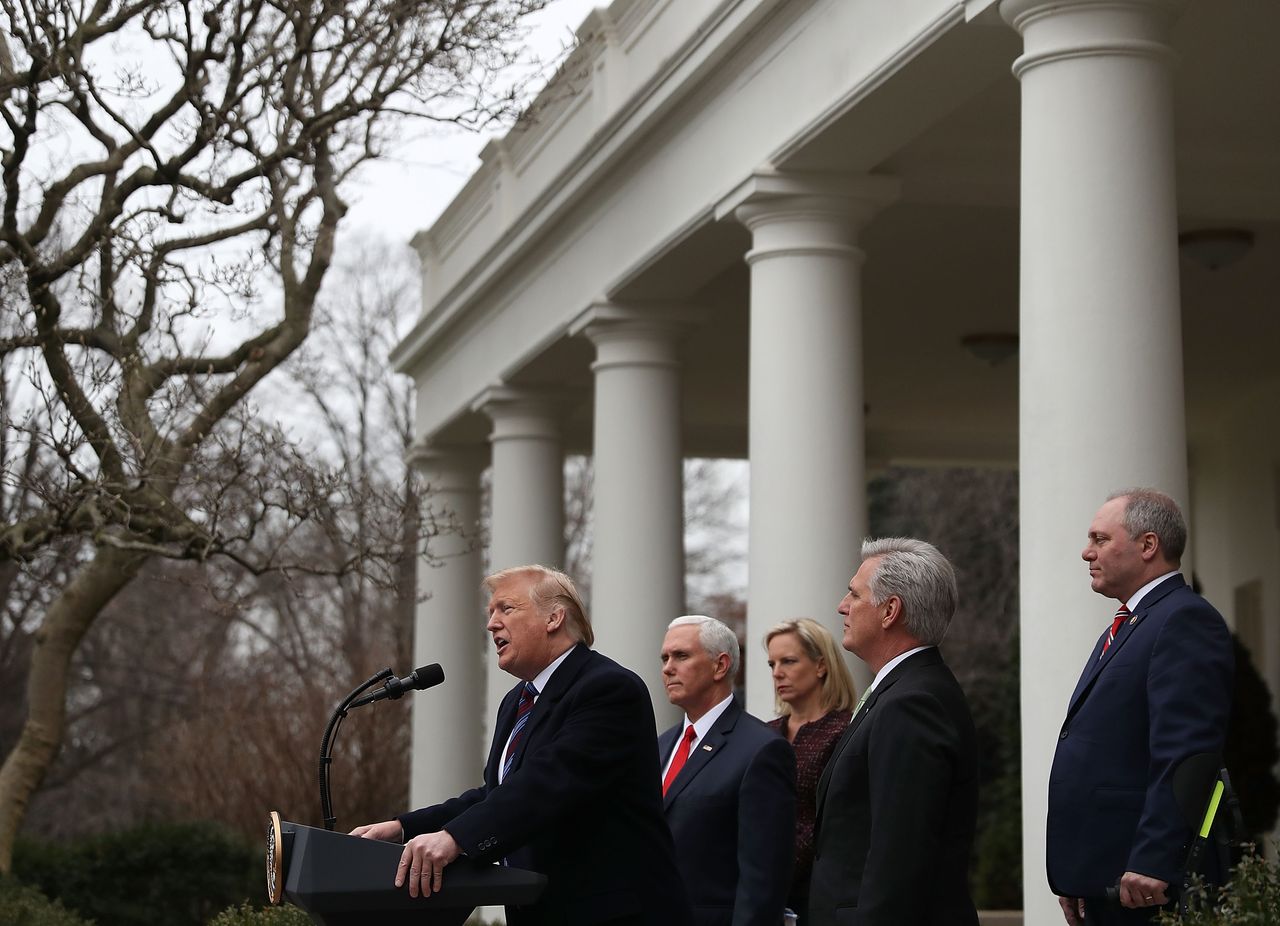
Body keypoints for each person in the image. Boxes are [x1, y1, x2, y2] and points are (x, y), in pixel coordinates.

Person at [351, 564, 693, 926]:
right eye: (490, 613)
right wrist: (405, 828)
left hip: (614, 914)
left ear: (554, 618)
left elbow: (549, 782)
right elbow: (496, 794)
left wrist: (455, 838)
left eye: (506, 609)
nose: (492, 623)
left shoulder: (608, 688)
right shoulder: (517, 701)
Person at [1048, 489, 1234, 925]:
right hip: (1105, 875)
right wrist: (1080, 874)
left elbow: (1185, 751)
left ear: (1148, 546)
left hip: (1144, 885)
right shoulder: (1132, 622)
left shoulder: (1184, 619)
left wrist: (1154, 857)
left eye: (1100, 539)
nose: (1085, 552)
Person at [810, 538, 979, 926]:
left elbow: (899, 856)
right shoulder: (900, 692)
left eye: (854, 593)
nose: (842, 605)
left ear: (890, 611)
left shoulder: (912, 702)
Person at [658, 615, 796, 926]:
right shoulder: (659, 747)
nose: (668, 667)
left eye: (681, 656)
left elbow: (763, 878)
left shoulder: (761, 749)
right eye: (665, 657)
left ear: (720, 666)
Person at [763, 618, 859, 923]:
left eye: (789, 661)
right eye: (772, 663)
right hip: (761, 893)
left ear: (821, 666)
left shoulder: (846, 732)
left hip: (821, 899)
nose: (777, 672)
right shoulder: (761, 734)